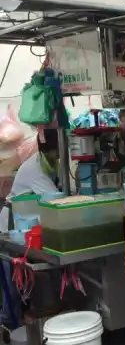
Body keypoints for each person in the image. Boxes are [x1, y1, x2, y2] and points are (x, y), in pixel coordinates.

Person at [0, 129, 61, 327]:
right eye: (57, 151)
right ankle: (10, 323)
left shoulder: (47, 163)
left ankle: (16, 320)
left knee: (18, 277)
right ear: (49, 150)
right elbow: (55, 199)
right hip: (12, 226)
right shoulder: (36, 168)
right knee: (12, 277)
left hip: (25, 222)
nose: (59, 155)